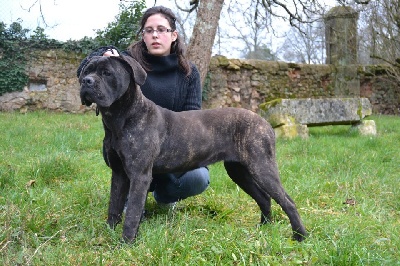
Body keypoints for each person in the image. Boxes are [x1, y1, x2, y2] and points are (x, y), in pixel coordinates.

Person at [77, 6, 210, 209]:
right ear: (143, 36)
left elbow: (192, 118)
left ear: (173, 35)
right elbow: (84, 69)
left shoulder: (189, 72)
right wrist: (104, 55)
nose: (155, 35)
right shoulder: (127, 64)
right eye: (149, 30)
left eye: (161, 29)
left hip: (171, 148)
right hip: (130, 146)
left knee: (198, 177)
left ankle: (165, 195)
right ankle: (132, 194)